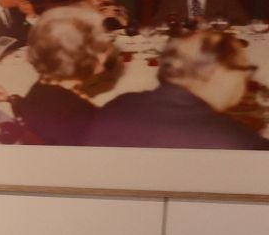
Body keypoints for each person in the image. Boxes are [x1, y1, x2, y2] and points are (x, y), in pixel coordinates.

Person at [87, 28, 269, 150]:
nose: (246, 77)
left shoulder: (118, 106)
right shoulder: (241, 143)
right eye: (245, 69)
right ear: (217, 72)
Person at [15, 5, 120, 145]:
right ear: (80, 56)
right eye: (100, 48)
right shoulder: (83, 117)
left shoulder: (41, 88)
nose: (105, 56)